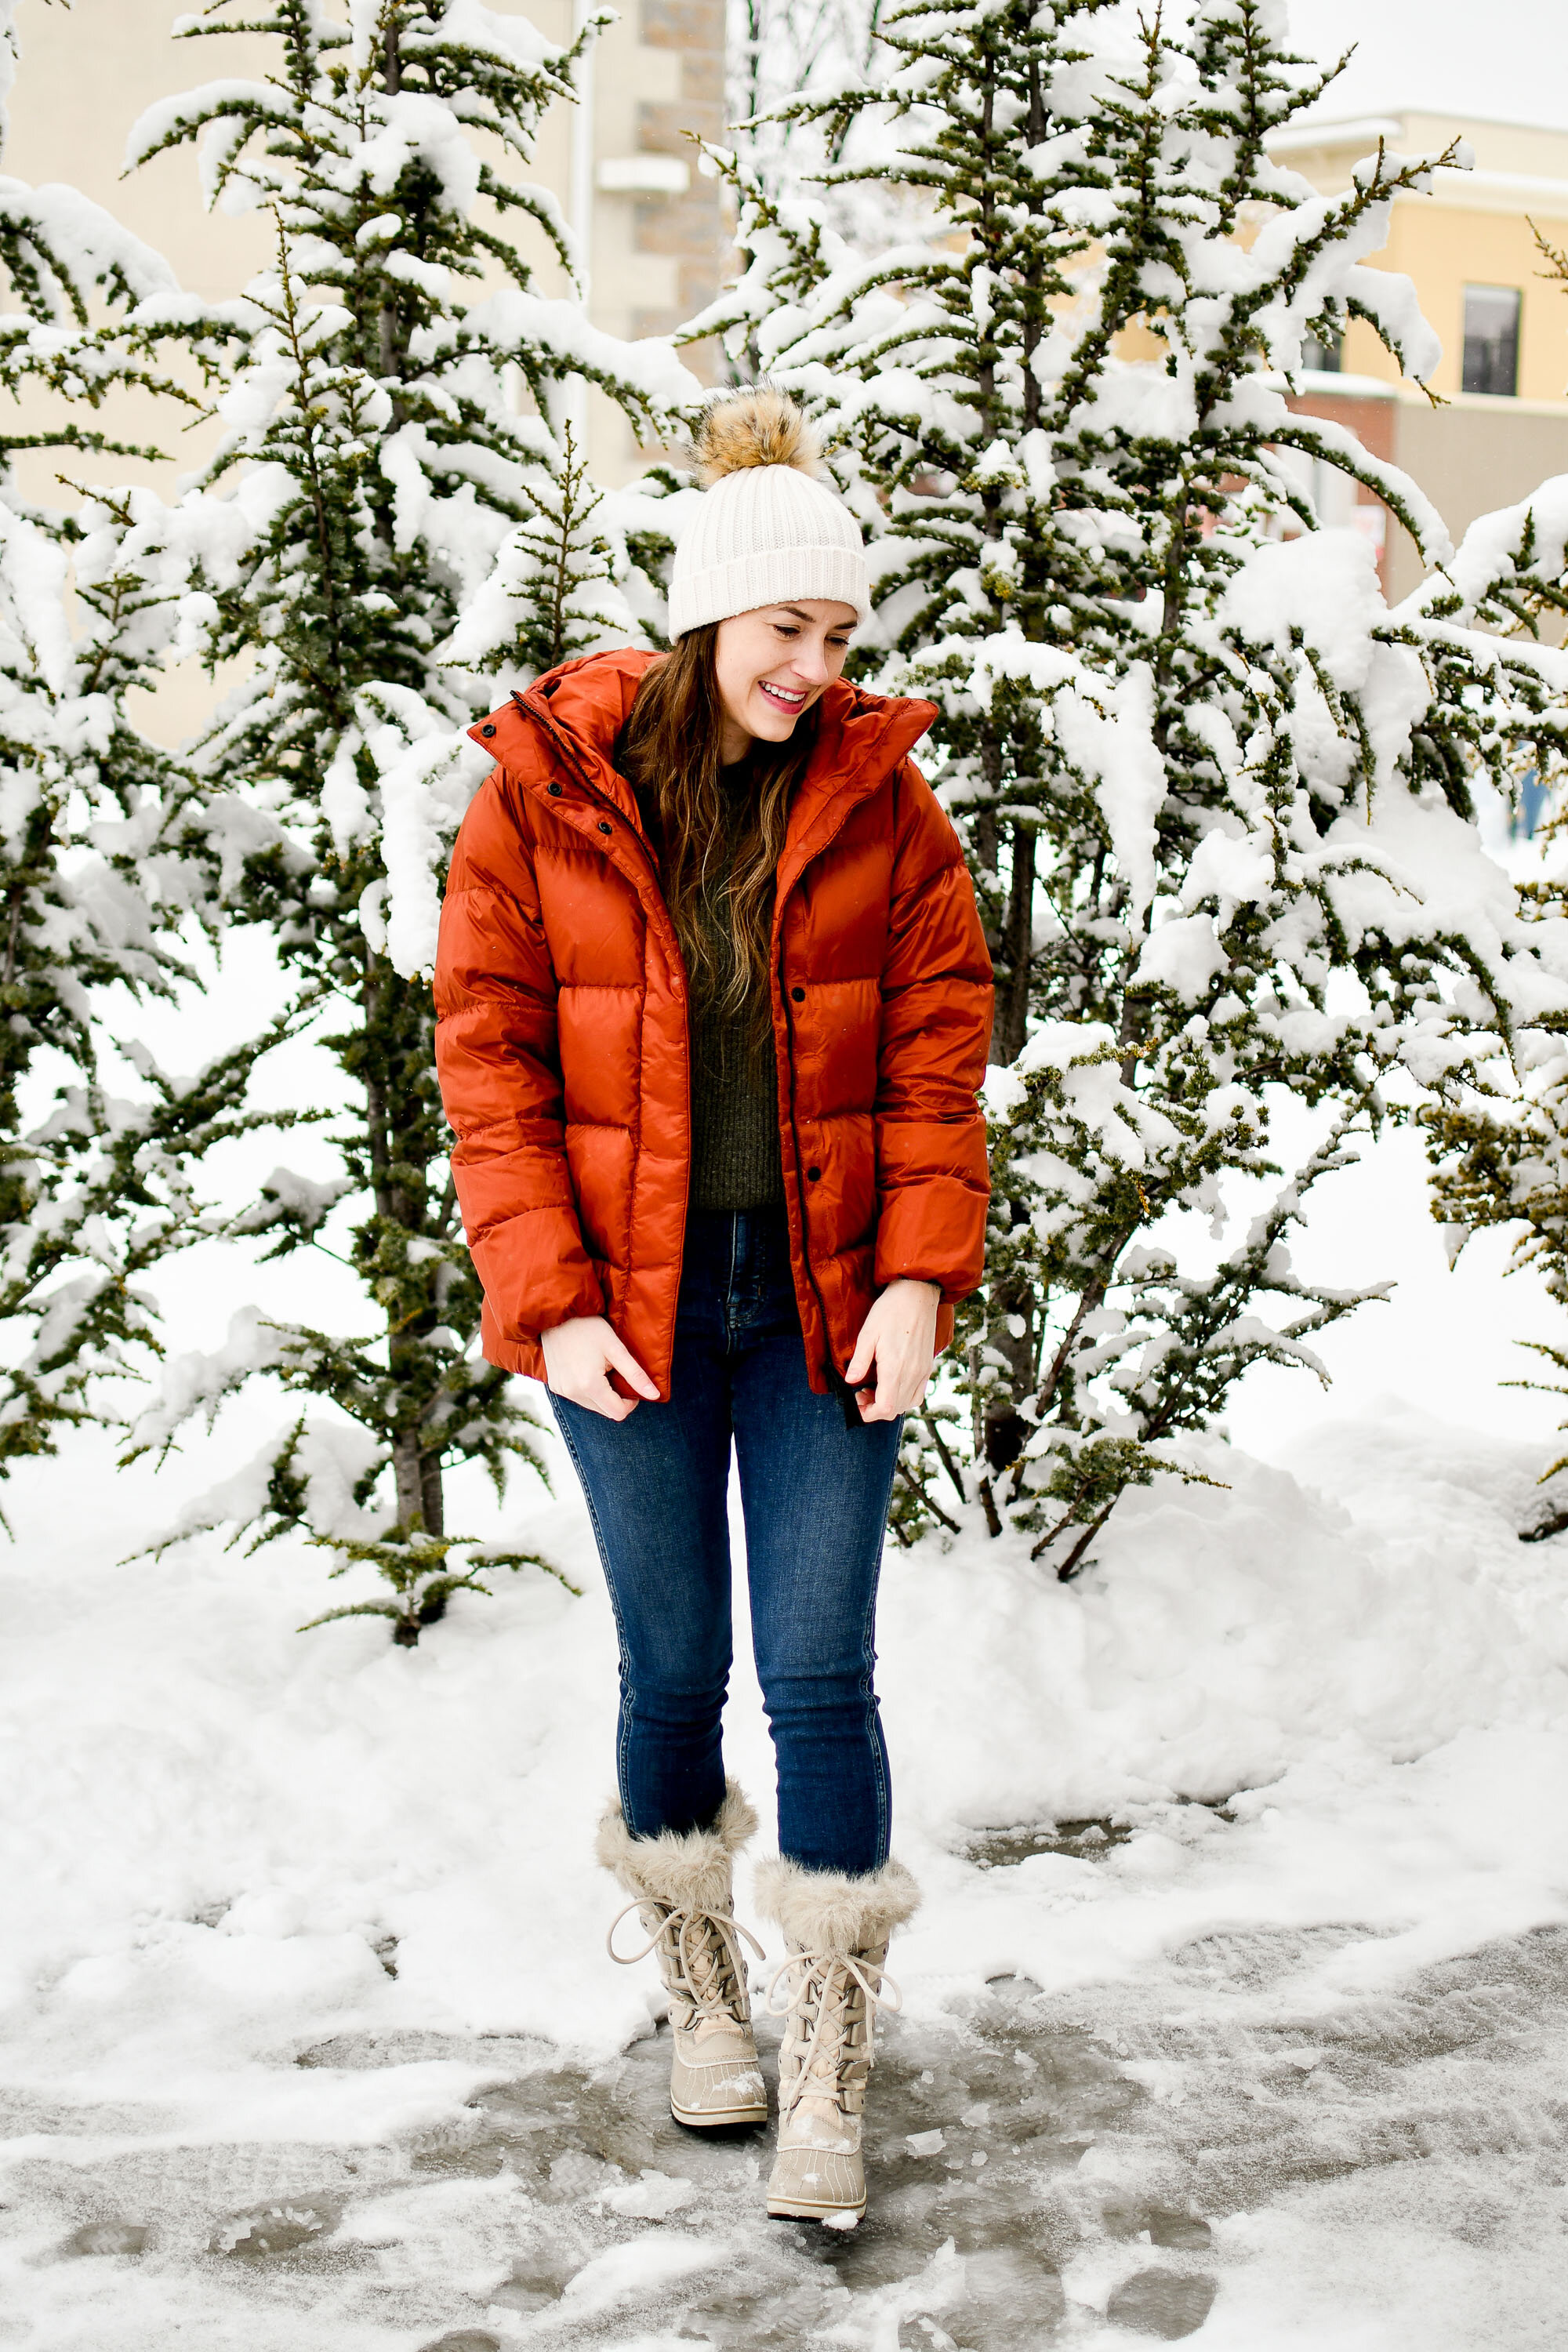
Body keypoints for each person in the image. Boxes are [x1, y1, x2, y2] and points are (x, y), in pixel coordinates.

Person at [434, 389, 993, 2223]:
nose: (816, 669)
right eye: (786, 632)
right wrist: (548, 1297)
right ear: (704, 618)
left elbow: (934, 1056)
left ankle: (830, 2051)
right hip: (626, 1310)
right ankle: (700, 1988)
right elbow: (492, 1065)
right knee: (673, 1668)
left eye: (839, 638)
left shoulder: (883, 805)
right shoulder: (548, 794)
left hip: (824, 1302)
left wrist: (920, 1267)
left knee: (819, 1671)